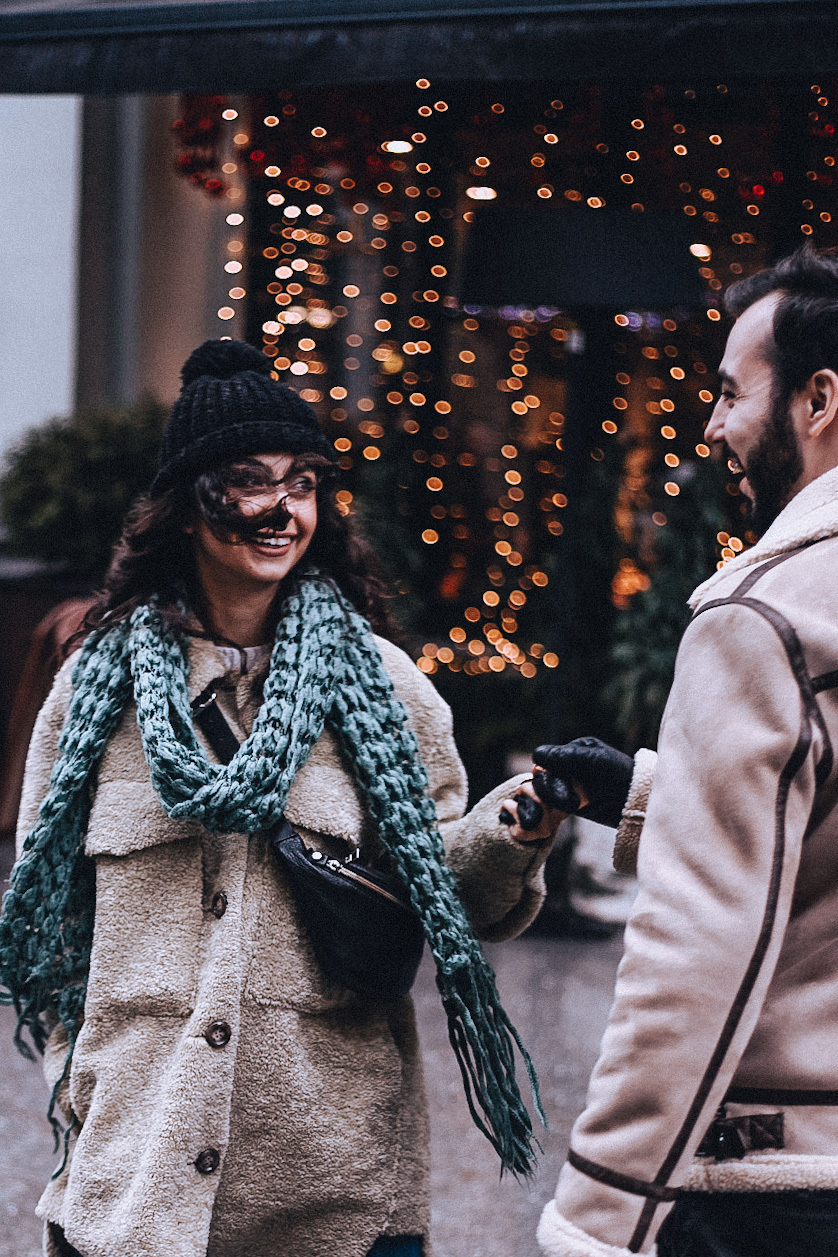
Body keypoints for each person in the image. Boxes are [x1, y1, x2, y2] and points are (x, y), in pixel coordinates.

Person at [0, 340, 563, 1257]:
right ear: (185, 508)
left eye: (301, 483)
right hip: (132, 1189)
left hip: (333, 1194)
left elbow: (456, 898)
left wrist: (518, 826)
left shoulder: (386, 691)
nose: (281, 509)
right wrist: (83, 1077)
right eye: (249, 483)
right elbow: (55, 916)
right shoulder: (93, 694)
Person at [534, 245, 838, 1257]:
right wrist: (654, 800)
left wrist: (596, 1213)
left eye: (727, 394)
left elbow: (698, 947)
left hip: (781, 1184)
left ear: (818, 399)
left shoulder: (764, 622)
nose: (711, 427)